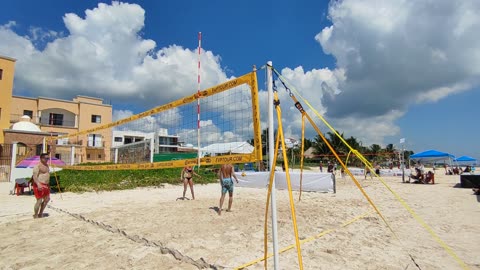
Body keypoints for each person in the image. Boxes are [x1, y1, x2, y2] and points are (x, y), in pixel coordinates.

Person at [32, 153, 51, 219]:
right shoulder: (37, 166)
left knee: (47, 199)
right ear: (41, 158)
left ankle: (41, 213)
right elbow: (34, 176)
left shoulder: (47, 165)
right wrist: (38, 184)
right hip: (39, 184)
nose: (47, 159)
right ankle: (36, 215)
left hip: (46, 185)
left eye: (48, 158)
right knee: (39, 201)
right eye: (46, 158)